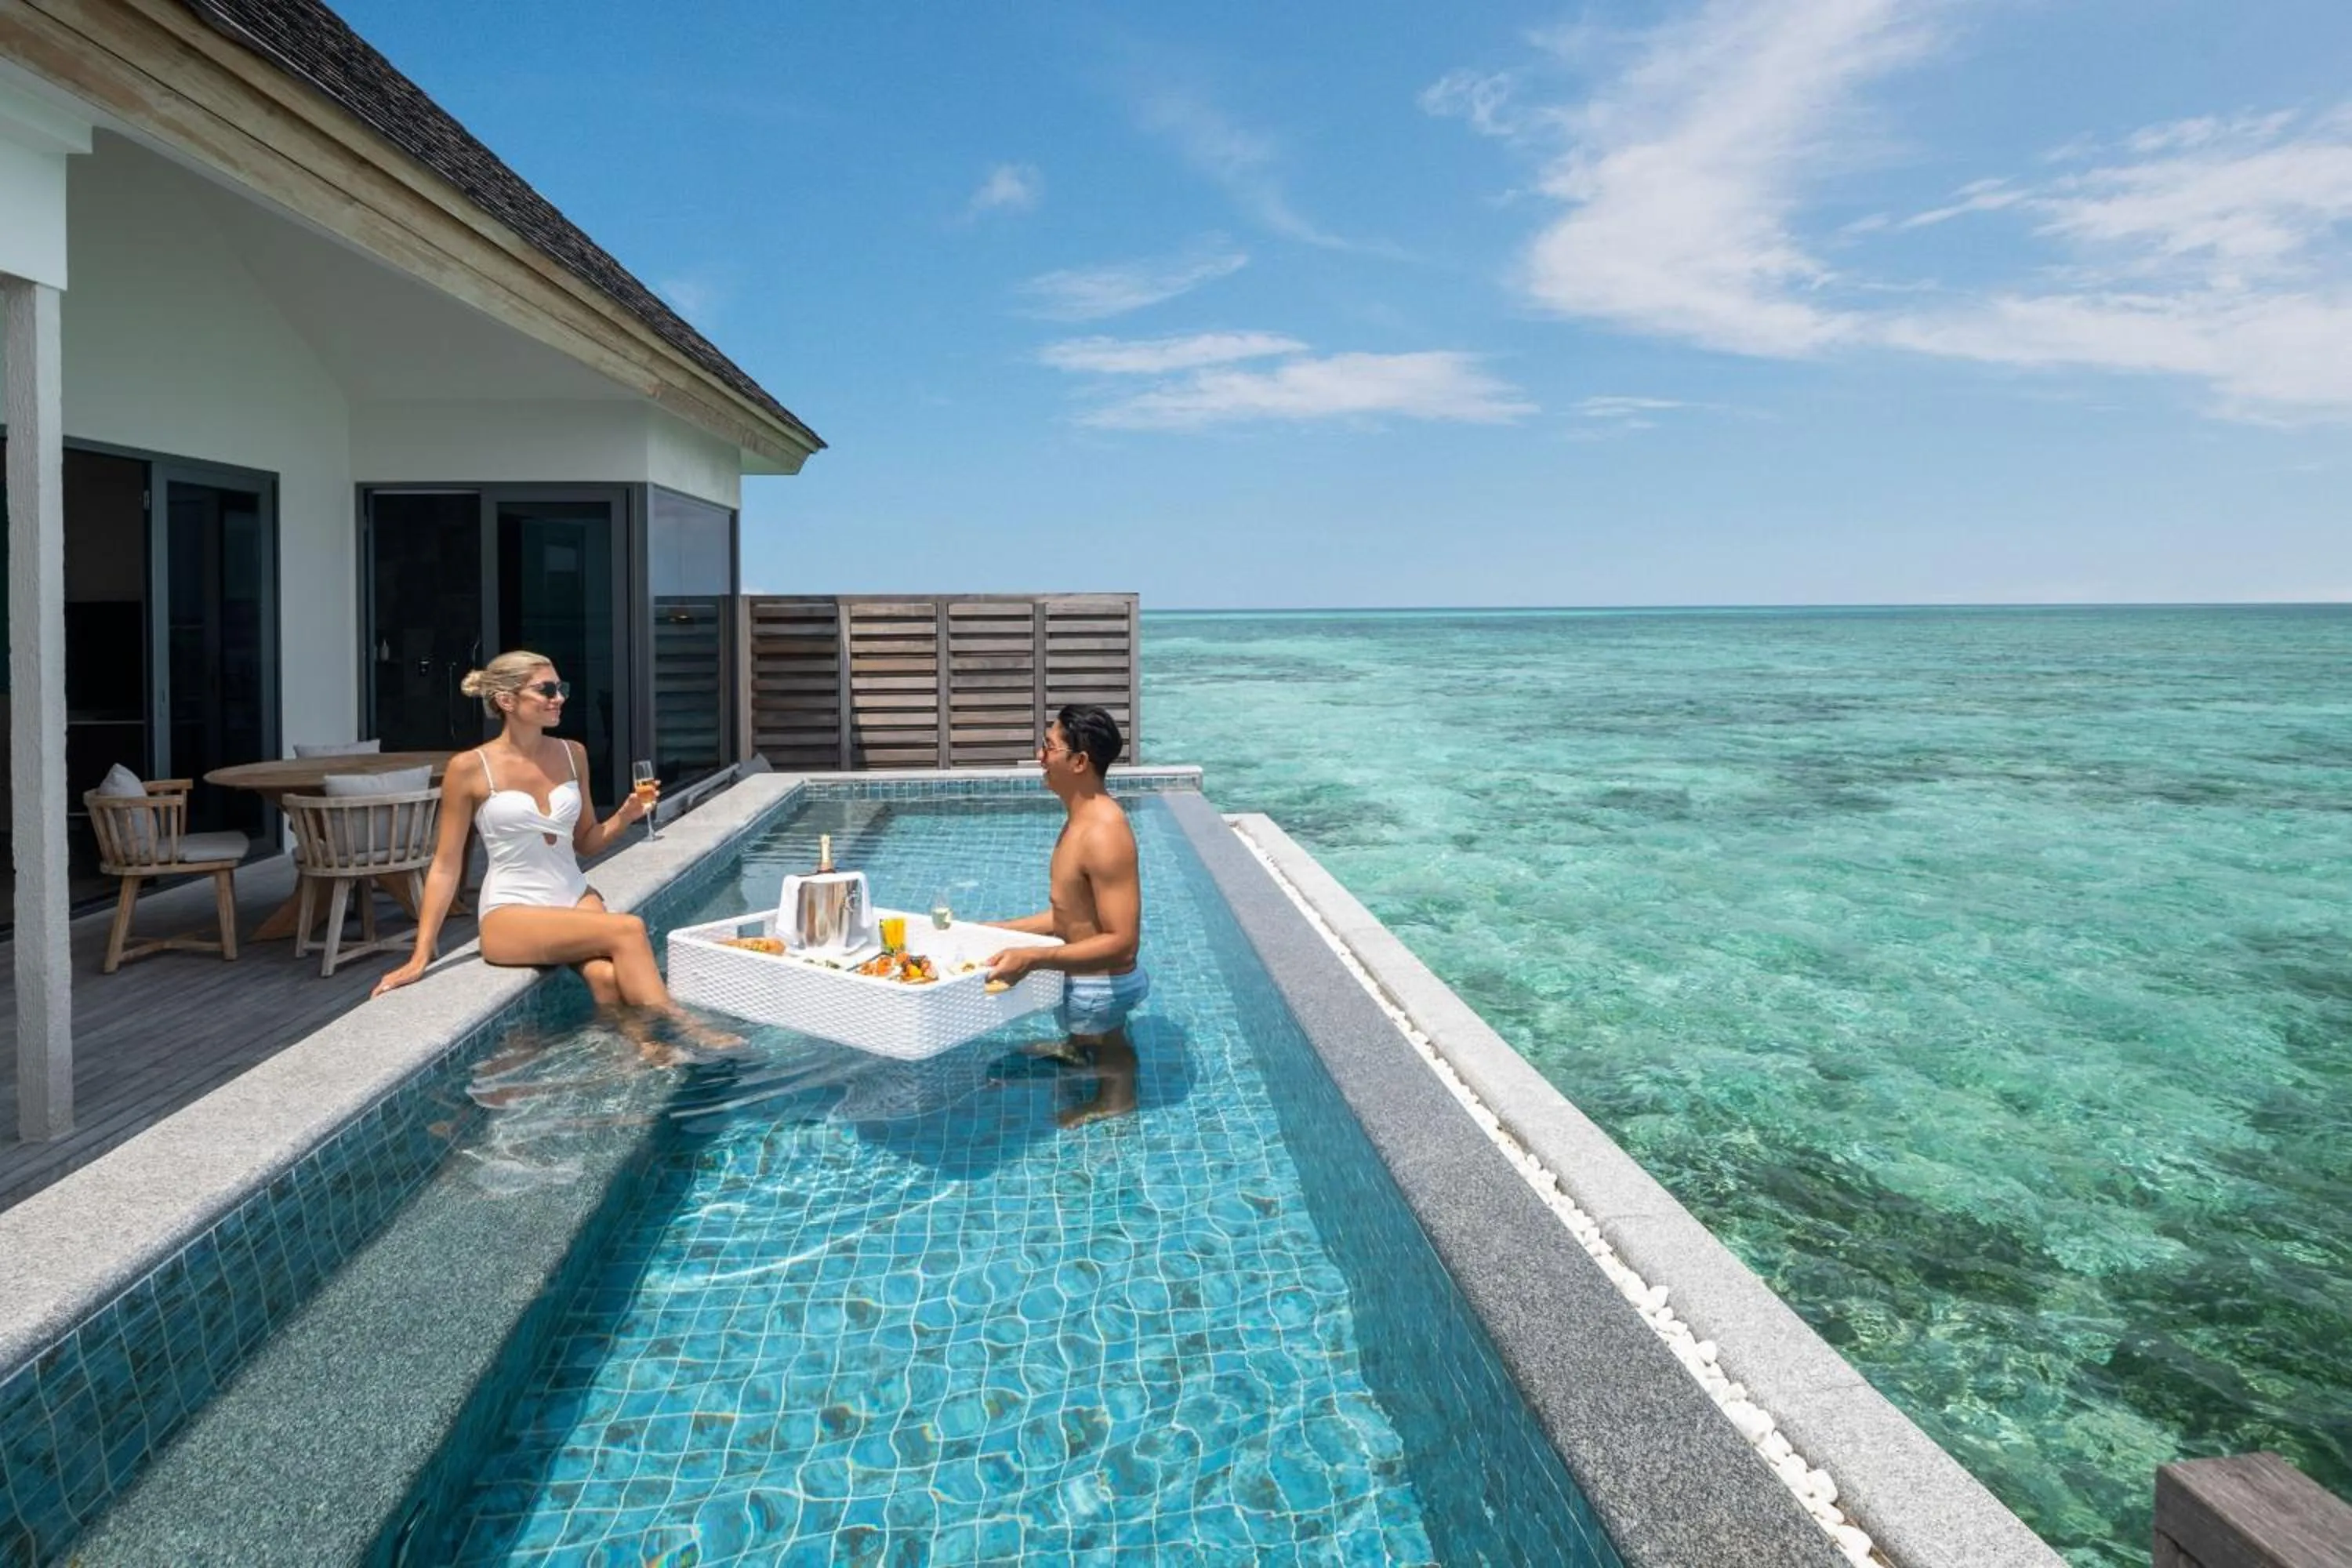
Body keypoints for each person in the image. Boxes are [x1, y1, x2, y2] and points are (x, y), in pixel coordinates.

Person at [371, 649, 728, 1058]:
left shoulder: (572, 754)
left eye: (562, 688)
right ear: (507, 701)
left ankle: (646, 1048)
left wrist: (628, 815)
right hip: (510, 908)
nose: (559, 697)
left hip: (574, 894)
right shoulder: (470, 768)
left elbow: (586, 843)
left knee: (606, 975)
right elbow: (446, 866)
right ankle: (686, 1026)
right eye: (547, 689)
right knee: (627, 929)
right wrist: (421, 955)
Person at [985, 704, 1147, 1126]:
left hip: (1102, 985)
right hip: (1086, 978)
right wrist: (998, 932)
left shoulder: (1103, 833)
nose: (1040, 756)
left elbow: (1122, 942)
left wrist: (1034, 957)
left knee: (1109, 1043)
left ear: (1079, 762)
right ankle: (1077, 1048)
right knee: (1088, 1031)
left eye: (1048, 747)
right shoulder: (1081, 819)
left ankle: (1117, 1098)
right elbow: (1070, 916)